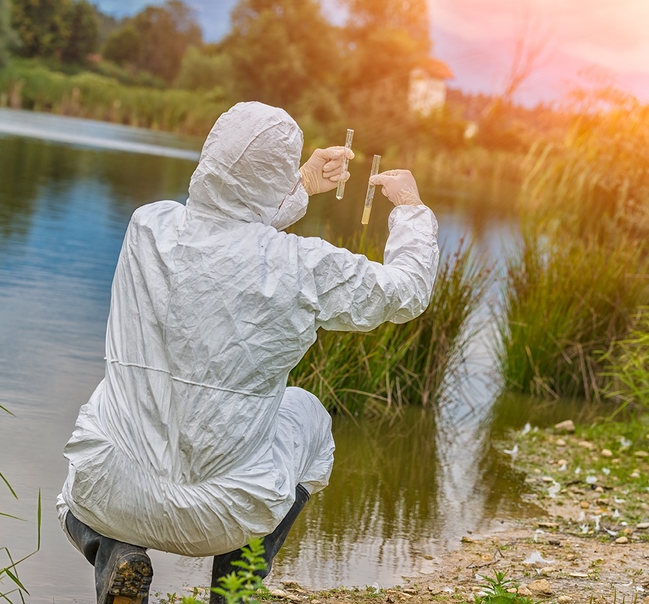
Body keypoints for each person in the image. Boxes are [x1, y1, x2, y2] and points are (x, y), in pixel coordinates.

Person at [56, 102, 440, 604]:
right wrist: (410, 209)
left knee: (104, 410)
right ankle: (233, 593)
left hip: (111, 497)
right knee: (307, 415)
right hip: (227, 515)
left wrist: (296, 185)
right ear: (271, 178)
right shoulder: (302, 265)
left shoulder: (147, 227)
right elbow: (407, 290)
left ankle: (116, 555)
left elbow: (222, 223)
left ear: (210, 156)